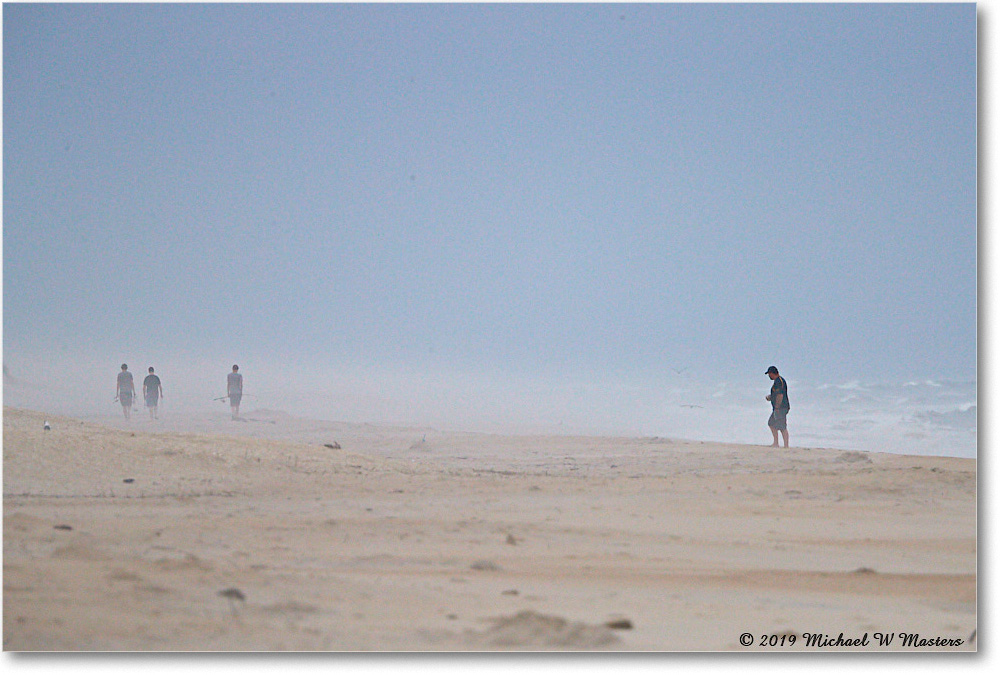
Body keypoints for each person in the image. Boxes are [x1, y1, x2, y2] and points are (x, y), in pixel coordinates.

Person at [765, 365, 790, 447]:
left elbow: (780, 395)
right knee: (771, 423)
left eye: (769, 374)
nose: (769, 376)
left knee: (782, 427)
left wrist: (777, 407)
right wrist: (771, 397)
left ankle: (786, 445)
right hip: (779, 408)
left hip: (781, 407)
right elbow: (776, 394)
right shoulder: (777, 381)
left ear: (772, 373)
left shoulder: (779, 381)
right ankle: (776, 443)